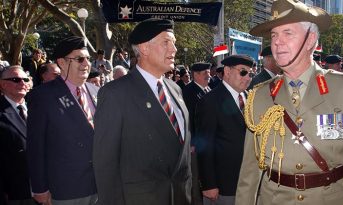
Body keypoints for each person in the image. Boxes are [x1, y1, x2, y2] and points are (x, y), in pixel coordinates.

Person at [235, 1, 343, 205]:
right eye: (274, 35)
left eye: (287, 33)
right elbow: (249, 171)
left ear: (311, 40)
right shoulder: (260, 96)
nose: (277, 42)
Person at [93, 18, 192, 205]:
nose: (174, 49)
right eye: (166, 42)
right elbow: (105, 162)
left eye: (174, 43)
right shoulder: (115, 93)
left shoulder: (175, 89)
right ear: (144, 49)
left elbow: (184, 155)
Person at [26, 36, 99, 205]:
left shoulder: (97, 91)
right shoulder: (43, 96)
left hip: (101, 185)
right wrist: (40, 188)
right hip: (67, 189)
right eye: (79, 59)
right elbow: (36, 146)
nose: (86, 64)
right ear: (62, 62)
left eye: (88, 58)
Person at [195, 55, 254, 205]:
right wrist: (209, 184)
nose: (247, 77)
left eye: (250, 74)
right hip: (223, 186)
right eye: (243, 72)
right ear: (227, 71)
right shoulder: (210, 101)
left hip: (247, 182)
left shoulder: (249, 97)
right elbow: (204, 146)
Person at [0, 66, 37, 205]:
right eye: (16, 79)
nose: (22, 83)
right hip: (16, 194)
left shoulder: (38, 108)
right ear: (2, 84)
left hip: (46, 189)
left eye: (25, 79)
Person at [182, 62, 211, 205]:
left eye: (208, 72)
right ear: (196, 75)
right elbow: (187, 119)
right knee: (196, 176)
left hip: (206, 143)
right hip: (195, 146)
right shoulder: (188, 92)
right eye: (205, 73)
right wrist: (192, 142)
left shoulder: (207, 89)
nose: (209, 75)